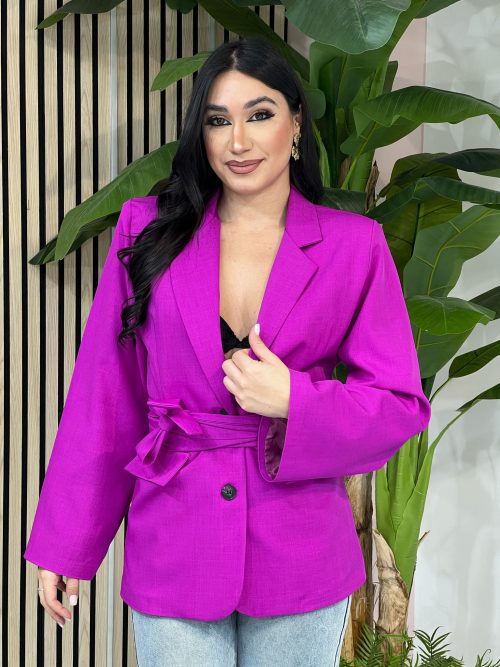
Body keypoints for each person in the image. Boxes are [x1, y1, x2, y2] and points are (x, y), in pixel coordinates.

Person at [24, 37, 431, 666]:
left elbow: (398, 404)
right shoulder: (147, 231)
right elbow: (106, 396)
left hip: (301, 552)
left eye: (259, 114)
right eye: (218, 121)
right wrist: (66, 544)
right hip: (174, 543)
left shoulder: (355, 246)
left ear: (296, 123)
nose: (238, 141)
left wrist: (296, 399)